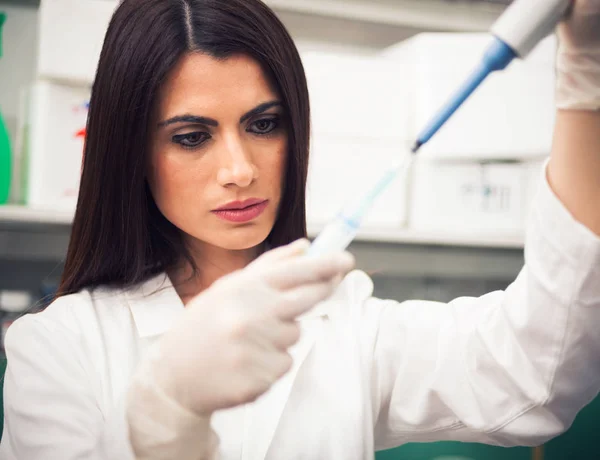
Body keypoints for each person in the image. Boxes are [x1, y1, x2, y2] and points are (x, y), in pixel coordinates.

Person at [1, 0, 600, 458]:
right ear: (129, 151)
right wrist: (166, 409)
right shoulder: (57, 348)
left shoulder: (348, 323)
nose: (240, 170)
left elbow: (536, 368)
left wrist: (584, 80)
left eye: (264, 125)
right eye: (191, 136)